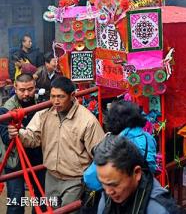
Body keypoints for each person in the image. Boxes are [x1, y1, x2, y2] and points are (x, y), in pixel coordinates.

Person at [8, 77, 105, 211]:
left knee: (68, 211)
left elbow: (99, 152)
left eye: (60, 97)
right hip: (51, 177)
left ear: (72, 95)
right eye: (53, 96)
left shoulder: (87, 120)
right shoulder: (44, 114)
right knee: (51, 210)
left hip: (75, 180)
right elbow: (33, 138)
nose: (56, 101)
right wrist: (18, 133)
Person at [84, 100, 157, 191]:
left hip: (124, 193)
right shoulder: (148, 137)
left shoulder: (117, 144)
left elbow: (91, 180)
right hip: (147, 187)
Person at [94, 136, 178, 214]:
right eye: (103, 183)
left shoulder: (158, 209)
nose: (108, 191)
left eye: (114, 184)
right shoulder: (108, 195)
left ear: (137, 173)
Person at [0, 73, 45, 214]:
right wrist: (12, 131)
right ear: (15, 87)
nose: (26, 94)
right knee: (16, 202)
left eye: (30, 89)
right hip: (15, 161)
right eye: (22, 90)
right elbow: (6, 138)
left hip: (37, 158)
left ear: (35, 87)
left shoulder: (41, 104)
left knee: (40, 199)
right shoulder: (6, 109)